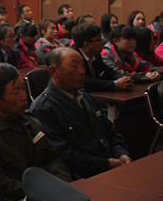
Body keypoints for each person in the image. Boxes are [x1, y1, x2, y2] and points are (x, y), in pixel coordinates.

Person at [0, 63, 71, 201]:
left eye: (23, 89)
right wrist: (42, 190)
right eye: (15, 92)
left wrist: (63, 183)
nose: (24, 96)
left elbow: (53, 158)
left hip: (50, 191)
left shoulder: (30, 122)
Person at [28, 48, 132, 178]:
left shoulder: (88, 98)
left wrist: (121, 154)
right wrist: (106, 164)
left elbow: (111, 133)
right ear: (54, 71)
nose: (82, 72)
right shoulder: (44, 109)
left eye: (82, 66)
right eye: (74, 67)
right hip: (83, 178)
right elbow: (62, 155)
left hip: (112, 167)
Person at [70, 23, 132, 92]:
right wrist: (115, 84)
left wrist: (124, 79)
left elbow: (107, 72)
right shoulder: (73, 57)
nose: (102, 43)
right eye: (99, 40)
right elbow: (85, 81)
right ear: (86, 44)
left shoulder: (96, 54)